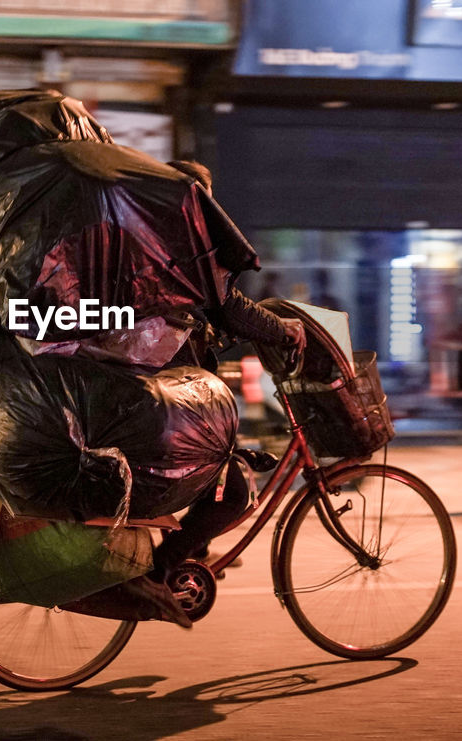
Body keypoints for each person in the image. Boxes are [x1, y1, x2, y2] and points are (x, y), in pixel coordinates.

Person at [122, 161, 306, 627]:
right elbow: (228, 305)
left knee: (225, 468)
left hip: (152, 400)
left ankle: (191, 553)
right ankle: (163, 573)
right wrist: (281, 329)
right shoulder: (179, 247)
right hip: (159, 409)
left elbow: (208, 314)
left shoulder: (146, 244)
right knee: (235, 490)